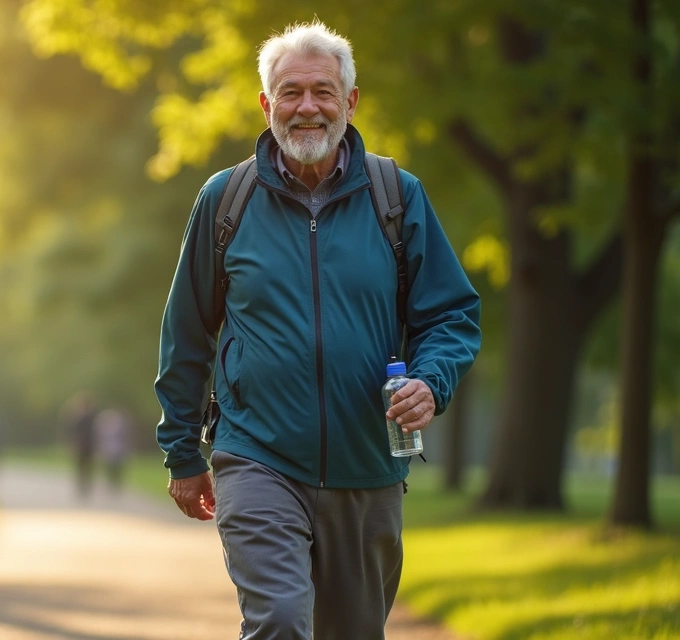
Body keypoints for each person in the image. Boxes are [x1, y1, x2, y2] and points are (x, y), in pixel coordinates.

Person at [153, 21, 481, 640]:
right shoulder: (227, 200)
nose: (307, 107)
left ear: (350, 101)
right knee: (278, 620)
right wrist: (182, 452)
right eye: (291, 91)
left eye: (323, 92)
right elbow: (187, 331)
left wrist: (431, 383)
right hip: (257, 457)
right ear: (266, 103)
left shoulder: (397, 197)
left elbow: (450, 314)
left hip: (369, 467)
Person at [93, 407, 133, 493]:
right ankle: (110, 483)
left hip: (117, 449)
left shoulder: (120, 425)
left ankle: (115, 483)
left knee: (117, 468)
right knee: (109, 468)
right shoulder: (103, 426)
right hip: (108, 449)